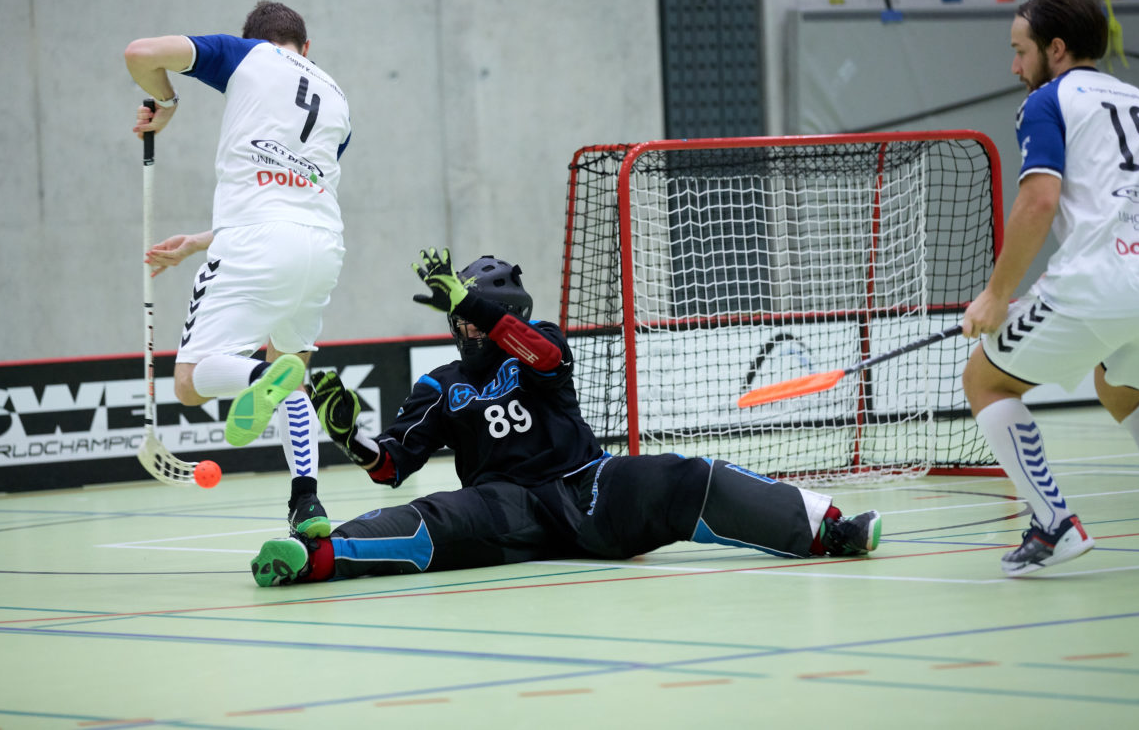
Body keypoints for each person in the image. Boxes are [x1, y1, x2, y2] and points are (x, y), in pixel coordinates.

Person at [249, 247, 882, 587]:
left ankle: (828, 529)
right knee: (430, 518)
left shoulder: (538, 343)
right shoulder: (437, 386)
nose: (465, 325)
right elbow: (389, 468)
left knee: (687, 476)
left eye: (475, 314)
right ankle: (316, 559)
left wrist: (476, 302)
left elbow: (546, 355)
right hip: (504, 506)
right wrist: (347, 435)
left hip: (589, 488)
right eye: (459, 317)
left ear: (506, 312)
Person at [125, 0, 352, 537]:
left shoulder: (246, 55)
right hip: (322, 246)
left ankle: (257, 376)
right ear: (307, 47)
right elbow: (295, 191)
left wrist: (167, 100)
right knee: (290, 365)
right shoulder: (338, 99)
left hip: (255, 241)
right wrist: (200, 243)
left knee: (188, 383)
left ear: (253, 38)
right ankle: (307, 503)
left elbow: (141, 54)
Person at [961, 0, 1139, 576]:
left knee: (986, 380)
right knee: (1120, 386)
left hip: (1099, 286)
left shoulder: (1047, 100)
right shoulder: (1134, 97)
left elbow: (1039, 203)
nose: (1014, 66)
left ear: (1055, 48)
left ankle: (1054, 524)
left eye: (1020, 50)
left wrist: (994, 295)